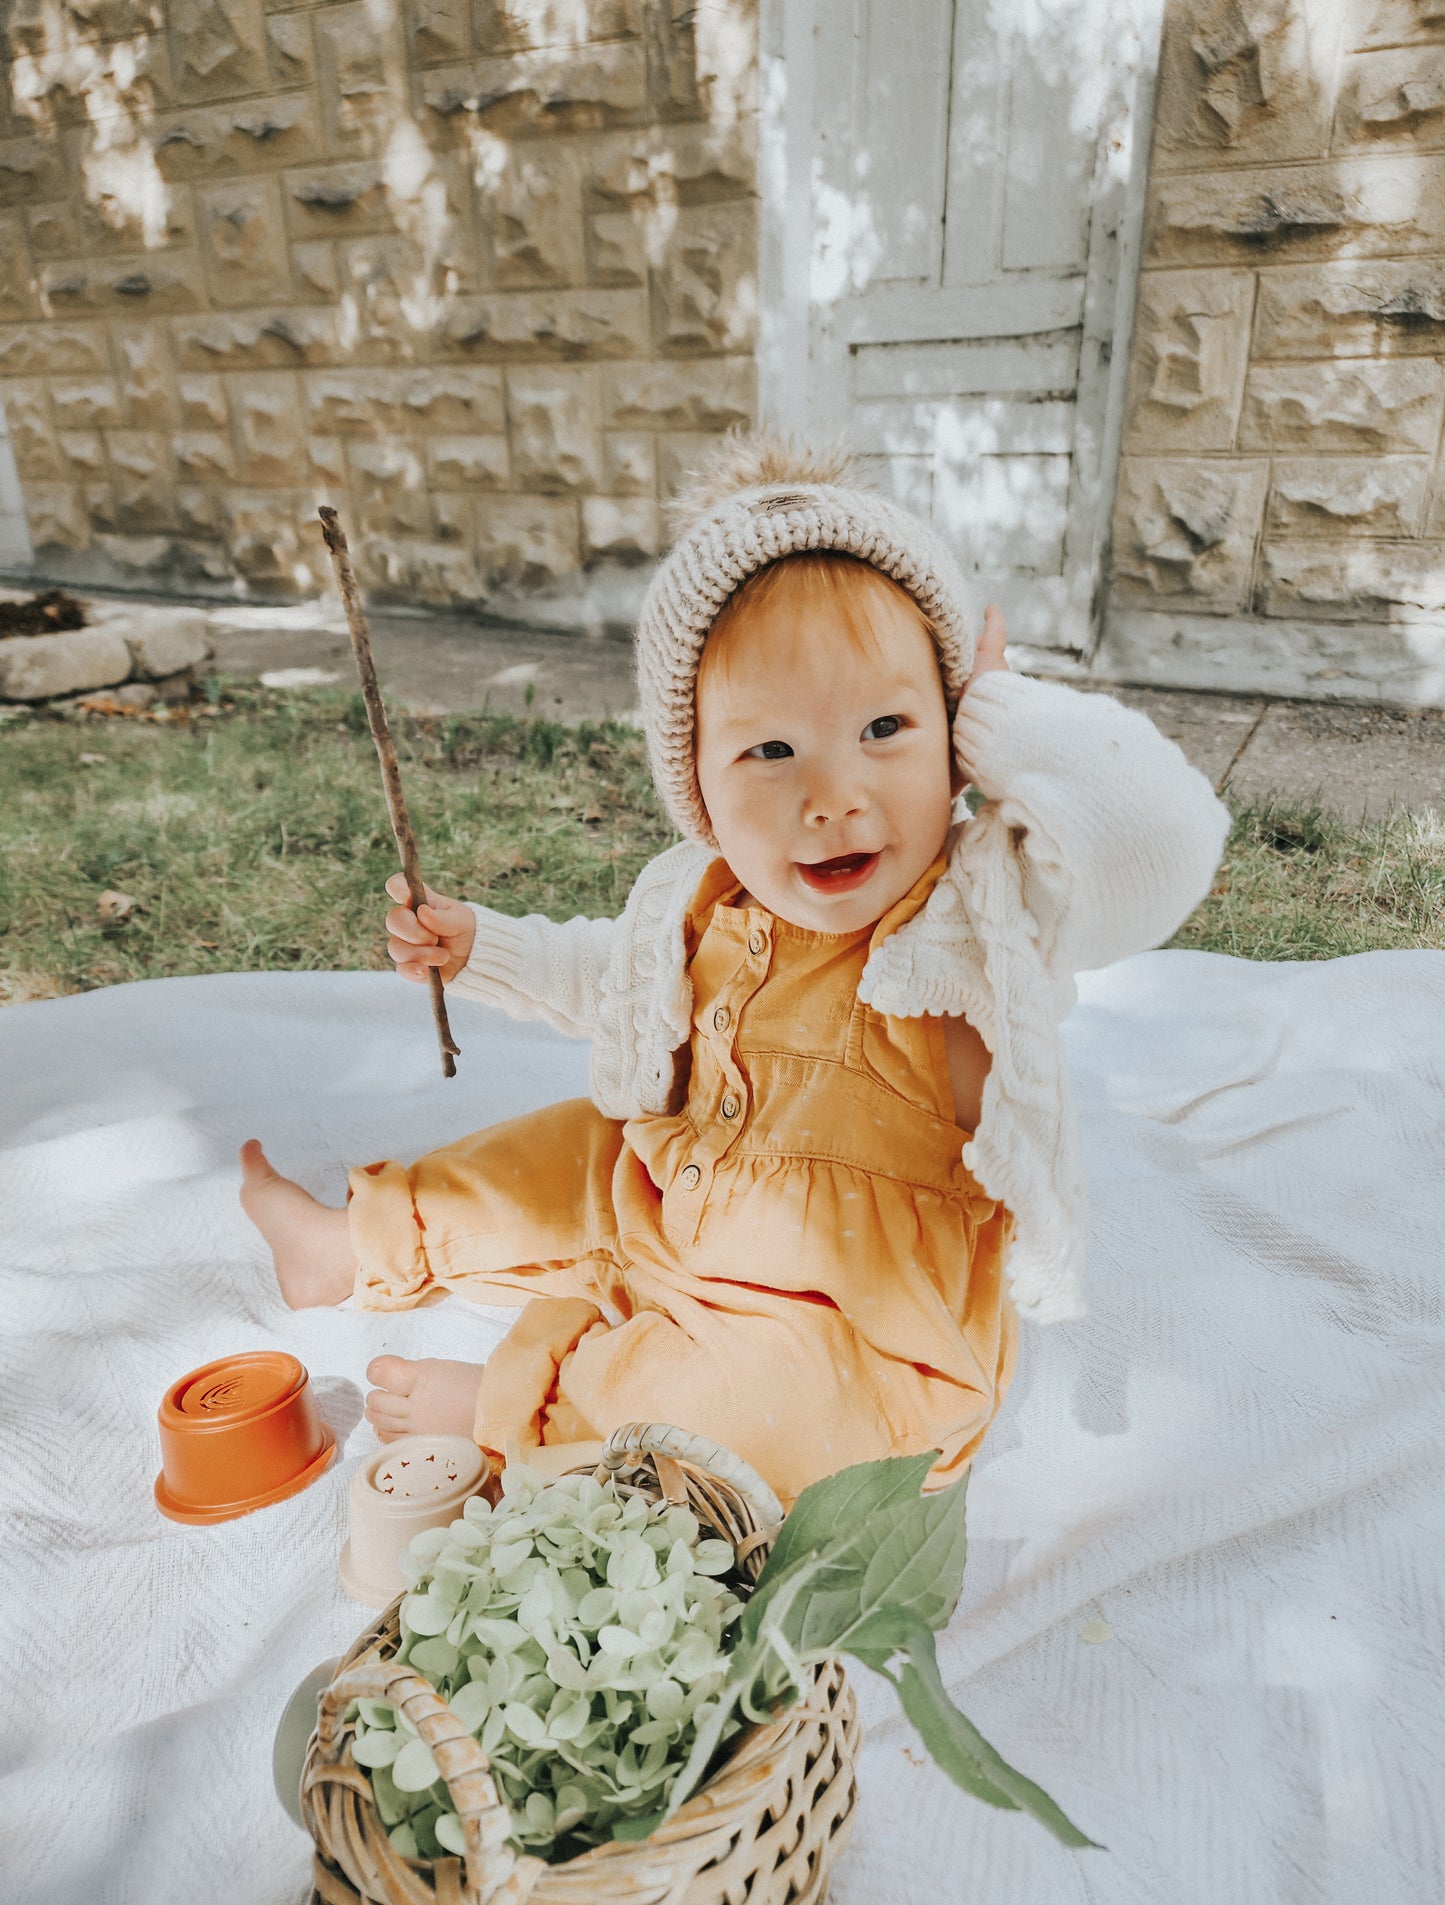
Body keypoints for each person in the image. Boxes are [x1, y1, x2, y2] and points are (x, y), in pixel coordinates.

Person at [240, 435, 1229, 1506]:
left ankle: (520, 1405)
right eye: (770, 751)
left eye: (887, 727)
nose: (834, 793)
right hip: (678, 1194)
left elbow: (1160, 841)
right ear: (698, 786)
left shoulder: (975, 919)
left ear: (955, 741)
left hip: (848, 1309)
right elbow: (607, 976)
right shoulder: (707, 897)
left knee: (769, 1418)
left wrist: (1003, 715)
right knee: (564, 1154)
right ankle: (350, 1243)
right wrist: (482, 946)